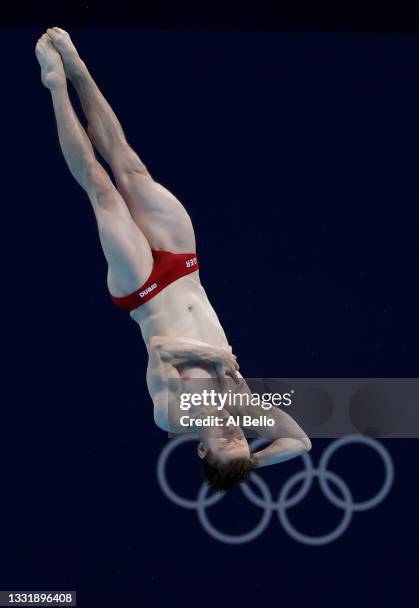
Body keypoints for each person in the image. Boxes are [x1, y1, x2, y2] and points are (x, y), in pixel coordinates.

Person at [35, 28, 311, 491]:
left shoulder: (171, 413)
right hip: (185, 270)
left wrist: (217, 359)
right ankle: (79, 70)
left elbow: (163, 350)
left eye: (224, 444)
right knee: (129, 164)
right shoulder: (241, 406)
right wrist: (247, 466)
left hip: (143, 289)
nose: (233, 433)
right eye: (242, 440)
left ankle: (55, 85)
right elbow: (300, 443)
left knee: (102, 189)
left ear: (201, 448)